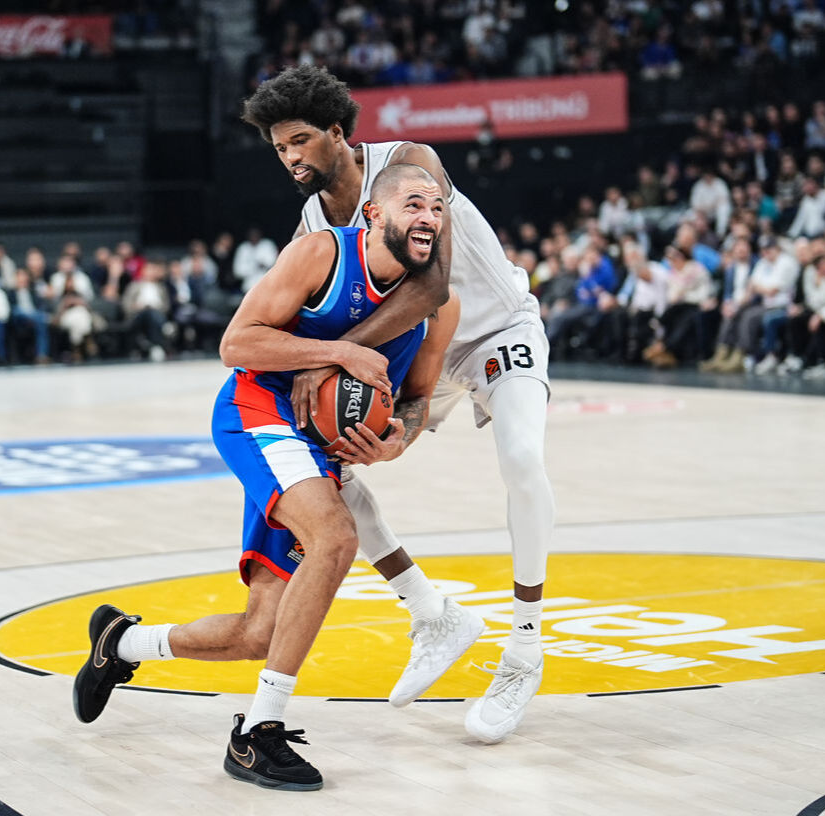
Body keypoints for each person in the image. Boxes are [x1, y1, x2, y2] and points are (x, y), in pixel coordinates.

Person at [72, 164, 460, 791]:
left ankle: (122, 645)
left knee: (261, 632)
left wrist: (396, 442)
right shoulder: (320, 256)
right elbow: (236, 344)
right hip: (259, 414)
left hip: (317, 450)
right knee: (337, 539)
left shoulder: (439, 305)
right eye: (414, 203)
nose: (429, 217)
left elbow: (415, 399)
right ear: (373, 214)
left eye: (438, 208)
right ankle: (257, 733)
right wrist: (337, 350)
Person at [240, 65, 555, 743]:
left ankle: (524, 649)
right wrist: (370, 399)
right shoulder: (310, 225)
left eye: (300, 140)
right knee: (326, 465)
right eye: (279, 149)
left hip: (494, 331)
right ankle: (430, 611)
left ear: (337, 132)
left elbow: (432, 286)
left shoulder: (410, 165)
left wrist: (341, 351)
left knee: (523, 458)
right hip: (416, 358)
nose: (291, 157)